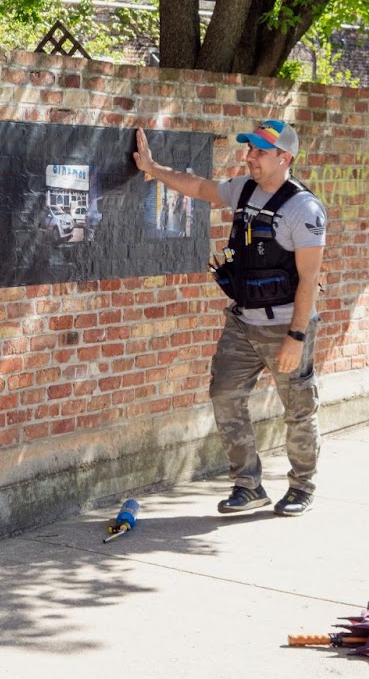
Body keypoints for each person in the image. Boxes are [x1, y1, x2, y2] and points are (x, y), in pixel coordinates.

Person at [132, 119, 327, 517]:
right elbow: (201, 188)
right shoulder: (243, 188)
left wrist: (296, 335)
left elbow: (309, 278)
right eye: (250, 148)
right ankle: (247, 484)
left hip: (284, 324)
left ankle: (302, 486)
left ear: (283, 158)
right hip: (242, 321)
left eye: (259, 151)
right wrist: (153, 169)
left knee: (298, 408)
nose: (250, 156)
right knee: (224, 393)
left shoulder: (302, 209)